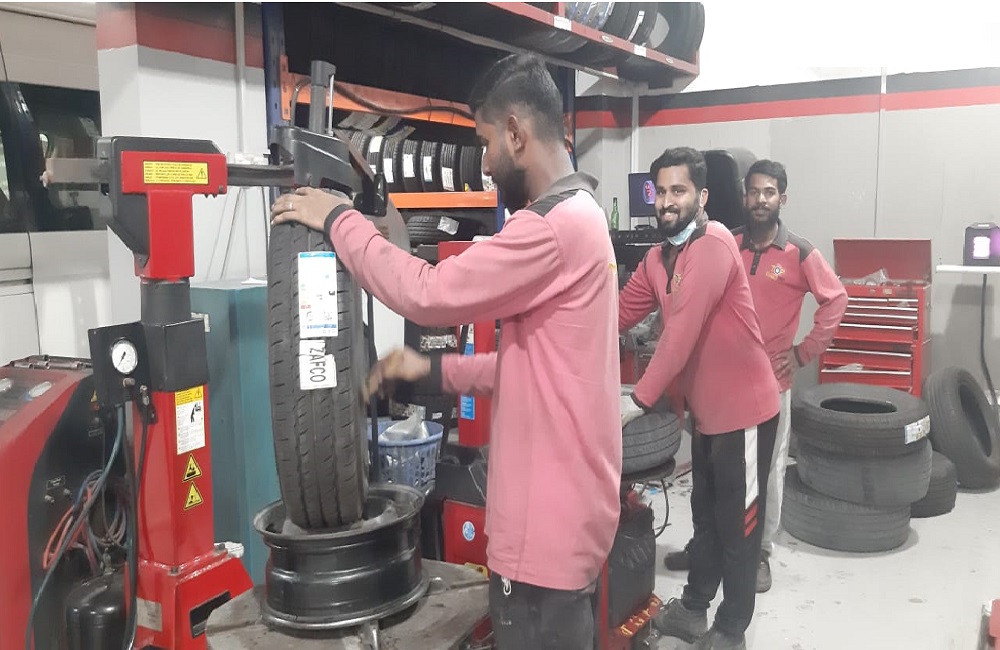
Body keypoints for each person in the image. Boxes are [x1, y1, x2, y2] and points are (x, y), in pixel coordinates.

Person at [269, 53, 622, 649]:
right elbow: (538, 368)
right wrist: (431, 369)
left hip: (543, 543)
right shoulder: (584, 215)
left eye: (485, 143)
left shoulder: (549, 227)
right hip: (571, 521)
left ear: (516, 132)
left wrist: (339, 220)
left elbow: (427, 295)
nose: (483, 163)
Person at [618, 147, 780, 650]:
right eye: (661, 191)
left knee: (739, 528)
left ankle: (731, 629)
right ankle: (693, 609)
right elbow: (618, 313)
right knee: (705, 520)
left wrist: (635, 402)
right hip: (708, 418)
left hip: (747, 414)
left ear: (702, 196)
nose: (667, 202)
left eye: (679, 191)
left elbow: (680, 334)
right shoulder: (657, 259)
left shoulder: (713, 246)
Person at [661, 160, 848, 594]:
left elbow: (835, 300)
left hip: (768, 389)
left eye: (769, 192)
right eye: (753, 192)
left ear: (783, 198)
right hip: (716, 386)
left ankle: (760, 551)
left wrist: (802, 352)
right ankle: (705, 545)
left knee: (764, 475)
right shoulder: (726, 243)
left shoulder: (799, 253)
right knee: (708, 472)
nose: (760, 200)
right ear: (744, 196)